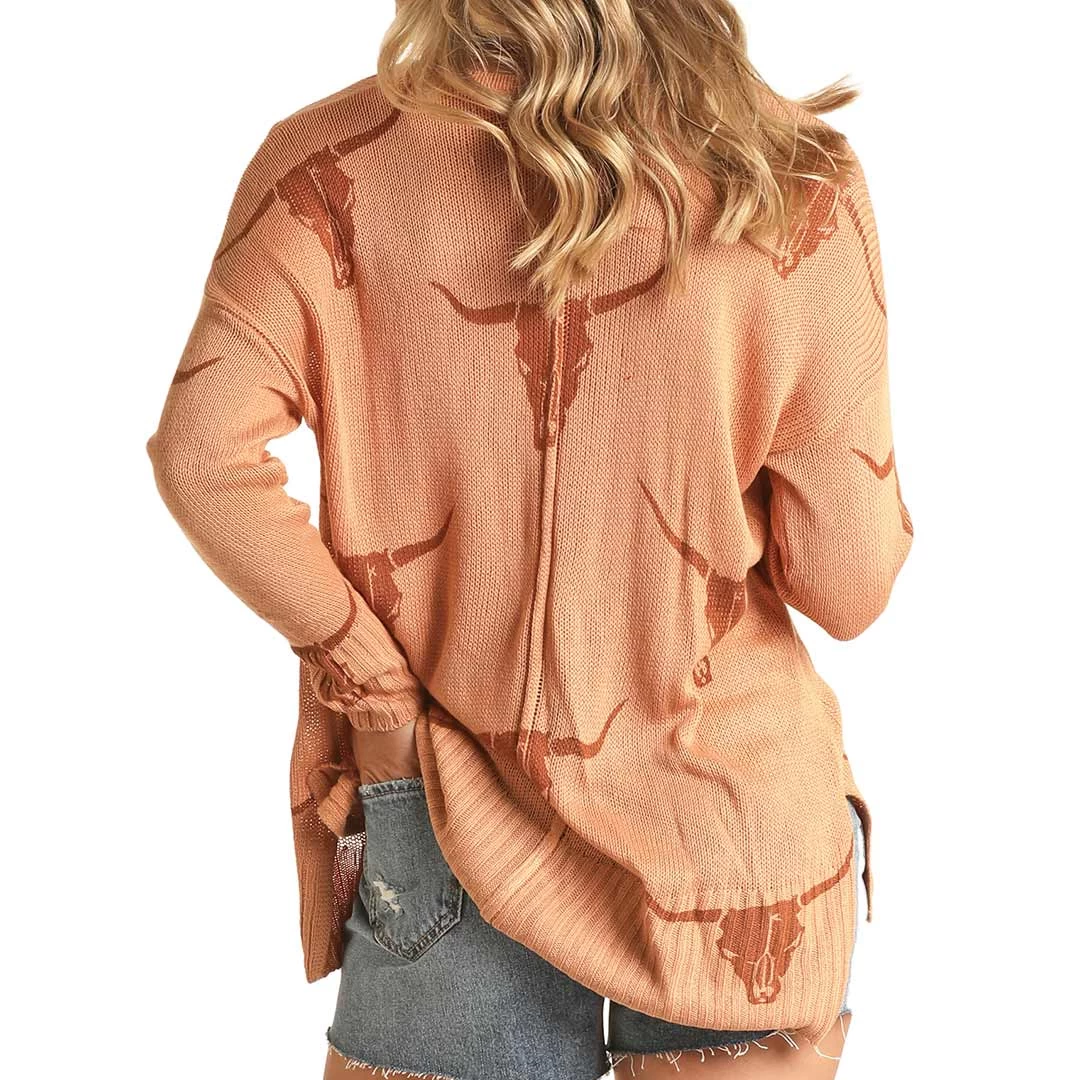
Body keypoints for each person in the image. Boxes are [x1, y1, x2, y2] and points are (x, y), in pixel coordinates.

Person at [145, 2, 913, 1077]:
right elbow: (849, 588)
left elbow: (201, 458)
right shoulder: (791, 180)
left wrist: (375, 689)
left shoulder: (323, 167)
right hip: (734, 827)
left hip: (446, 786)